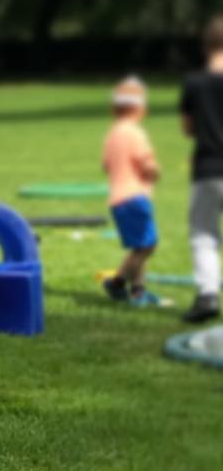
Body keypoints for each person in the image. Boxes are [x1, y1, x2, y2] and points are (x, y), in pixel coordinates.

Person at [101, 77, 162, 306]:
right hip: (134, 197)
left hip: (117, 199)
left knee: (139, 246)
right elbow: (148, 165)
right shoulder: (135, 133)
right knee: (148, 245)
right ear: (139, 107)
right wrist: (155, 172)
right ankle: (116, 283)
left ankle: (138, 292)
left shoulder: (113, 133)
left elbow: (106, 165)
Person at [181, 16, 223, 324]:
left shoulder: (194, 83)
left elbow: (187, 128)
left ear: (205, 45)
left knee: (204, 234)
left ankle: (207, 294)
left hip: (208, 167)